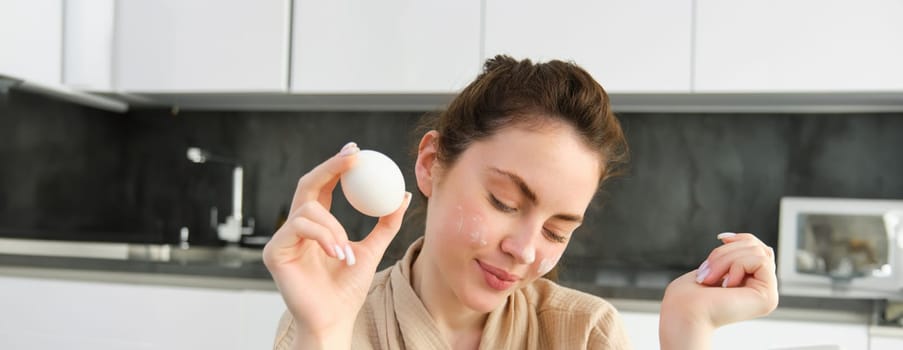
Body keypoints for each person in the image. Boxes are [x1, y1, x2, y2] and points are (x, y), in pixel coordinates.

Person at [263, 55, 779, 349]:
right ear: (431, 163)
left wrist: (689, 327)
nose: (526, 250)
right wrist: (325, 333)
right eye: (504, 202)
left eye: (557, 231)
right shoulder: (331, 322)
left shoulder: (582, 333)